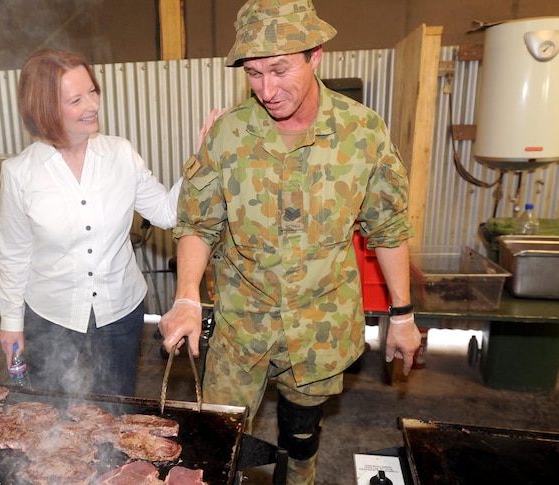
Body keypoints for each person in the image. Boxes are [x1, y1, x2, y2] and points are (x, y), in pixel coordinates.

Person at [157, 1, 423, 483]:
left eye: (280, 70)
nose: (266, 89)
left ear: (315, 56)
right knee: (216, 442)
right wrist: (186, 297)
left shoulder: (362, 132)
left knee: (301, 446)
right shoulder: (229, 134)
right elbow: (197, 223)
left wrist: (402, 316)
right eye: (254, 73)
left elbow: (388, 227)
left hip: (319, 328)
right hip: (241, 328)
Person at [0, 48, 196, 397]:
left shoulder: (120, 154)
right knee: (51, 415)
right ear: (46, 109)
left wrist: (198, 162)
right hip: (50, 315)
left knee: (116, 408)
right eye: (76, 99)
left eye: (93, 92)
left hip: (119, 312)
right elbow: (14, 253)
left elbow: (167, 212)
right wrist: (11, 323)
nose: (92, 105)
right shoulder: (19, 172)